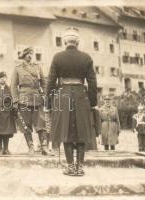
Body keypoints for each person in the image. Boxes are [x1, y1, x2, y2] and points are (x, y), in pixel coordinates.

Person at [45, 27, 97, 176]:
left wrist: (48, 104)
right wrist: (93, 102)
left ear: (65, 41)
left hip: (63, 95)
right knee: (82, 129)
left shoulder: (57, 57)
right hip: (81, 95)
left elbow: (50, 82)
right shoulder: (86, 57)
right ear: (78, 42)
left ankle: (70, 167)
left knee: (65, 130)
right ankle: (80, 167)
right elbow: (93, 82)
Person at [11, 47, 51, 156]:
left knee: (41, 124)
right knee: (26, 125)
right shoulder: (18, 68)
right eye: (28, 54)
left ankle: (44, 147)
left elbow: (44, 82)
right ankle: (31, 147)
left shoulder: (37, 67)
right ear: (23, 56)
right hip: (24, 99)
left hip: (37, 99)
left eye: (31, 54)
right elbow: (13, 86)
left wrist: (44, 95)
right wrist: (15, 101)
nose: (30, 56)